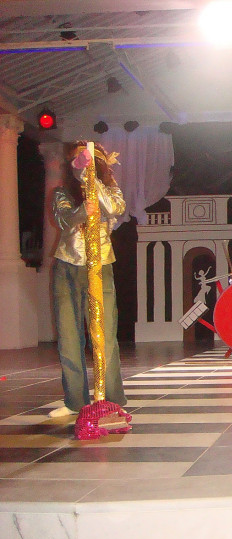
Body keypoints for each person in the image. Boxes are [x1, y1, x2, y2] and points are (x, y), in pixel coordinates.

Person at [49, 141, 128, 417]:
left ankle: (112, 397)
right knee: (69, 338)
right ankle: (75, 401)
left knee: (105, 336)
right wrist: (83, 210)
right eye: (80, 162)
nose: (86, 165)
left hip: (101, 265)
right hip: (67, 266)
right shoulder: (62, 193)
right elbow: (64, 220)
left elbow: (115, 208)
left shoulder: (111, 190)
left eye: (93, 161)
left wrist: (90, 179)